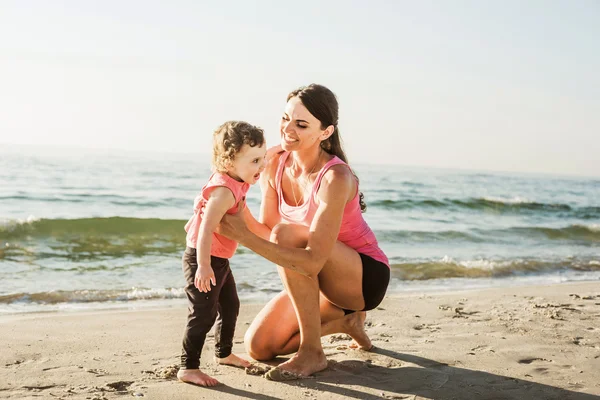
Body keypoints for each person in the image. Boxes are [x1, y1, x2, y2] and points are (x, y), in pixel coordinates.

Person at [216, 84, 390, 380]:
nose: (288, 129)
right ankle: (344, 324)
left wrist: (242, 236)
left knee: (287, 234)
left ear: (325, 132)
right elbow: (268, 230)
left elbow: (308, 260)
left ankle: (312, 352)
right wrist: (235, 201)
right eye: (285, 119)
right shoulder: (274, 162)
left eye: (301, 124)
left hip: (361, 278)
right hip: (321, 281)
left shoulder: (335, 177)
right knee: (259, 346)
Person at [177, 120, 266, 387]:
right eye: (254, 161)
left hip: (219, 259)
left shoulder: (238, 178)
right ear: (229, 162)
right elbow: (205, 229)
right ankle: (188, 367)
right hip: (203, 259)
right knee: (203, 314)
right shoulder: (225, 192)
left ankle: (223, 353)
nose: (261, 166)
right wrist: (203, 266)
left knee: (230, 306)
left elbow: (244, 217)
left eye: (262, 158)